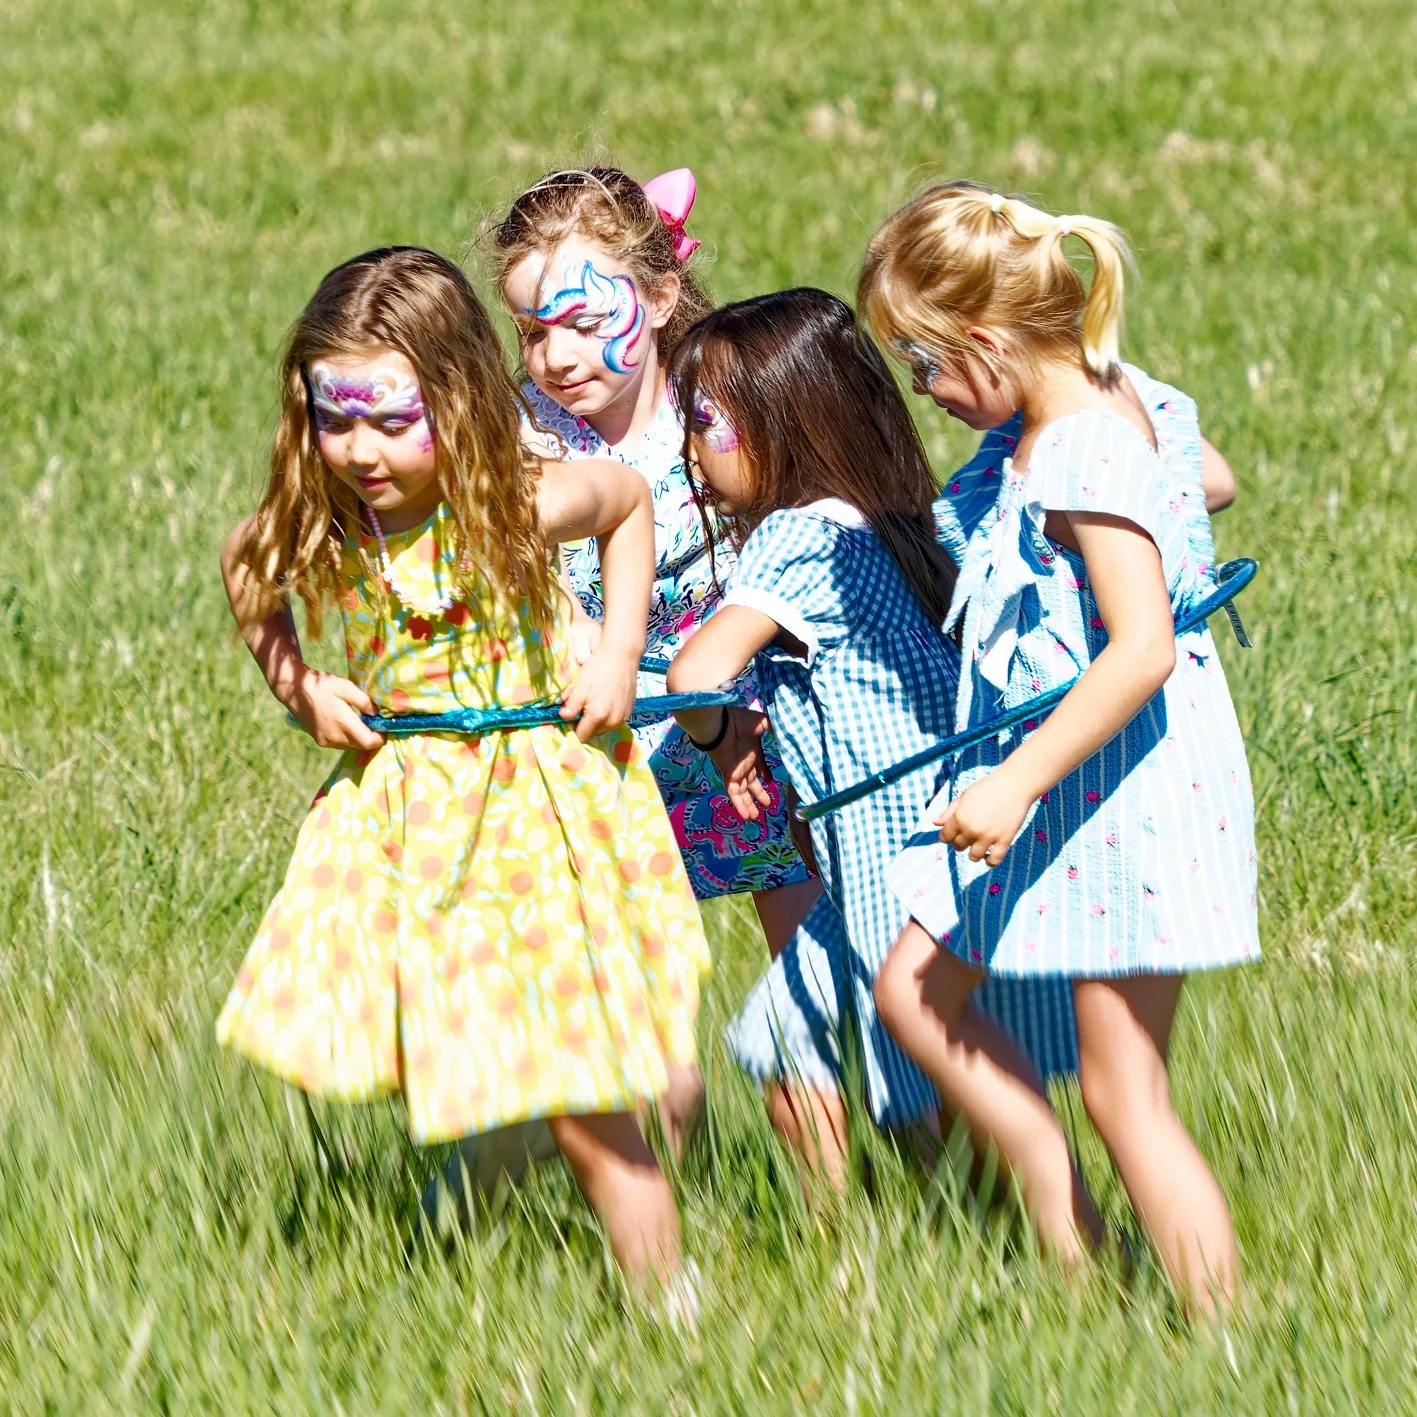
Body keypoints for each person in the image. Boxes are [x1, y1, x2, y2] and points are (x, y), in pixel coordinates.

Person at [215, 245, 708, 1303]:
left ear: (457, 395)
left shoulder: (515, 503)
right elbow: (245, 564)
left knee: (586, 1081)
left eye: (393, 420)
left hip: (536, 812)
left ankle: (676, 1316)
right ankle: (467, 1205)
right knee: (465, 1052)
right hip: (412, 825)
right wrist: (297, 684)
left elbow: (626, 501)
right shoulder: (327, 517)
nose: (361, 448)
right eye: (335, 418)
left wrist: (619, 651)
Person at [861, 183, 1257, 1313]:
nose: (927, 392)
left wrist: (1014, 781)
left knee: (1124, 1090)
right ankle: (1070, 1238)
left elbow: (1136, 653)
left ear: (987, 343)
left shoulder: (1080, 449)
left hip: (1112, 783)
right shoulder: (1107, 400)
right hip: (1067, 775)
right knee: (915, 984)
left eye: (927, 364)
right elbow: (1208, 475)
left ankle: (1219, 1335)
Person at [663, 288, 1078, 1186]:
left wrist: (720, 735)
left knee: (907, 1074)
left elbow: (693, 676)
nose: (689, 451)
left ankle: (974, 1228)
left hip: (887, 860)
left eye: (705, 423)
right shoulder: (900, 521)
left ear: (785, 422)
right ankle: (880, 1240)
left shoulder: (797, 537)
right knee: (789, 1040)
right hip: (935, 835)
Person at [486, 165, 820, 1150]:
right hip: (606, 743)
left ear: (661, 296)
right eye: (534, 330)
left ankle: (839, 1229)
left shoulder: (719, 408)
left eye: (587, 321)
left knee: (803, 989)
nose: (557, 354)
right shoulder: (525, 432)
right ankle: (669, 1218)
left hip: (751, 728)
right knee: (638, 1020)